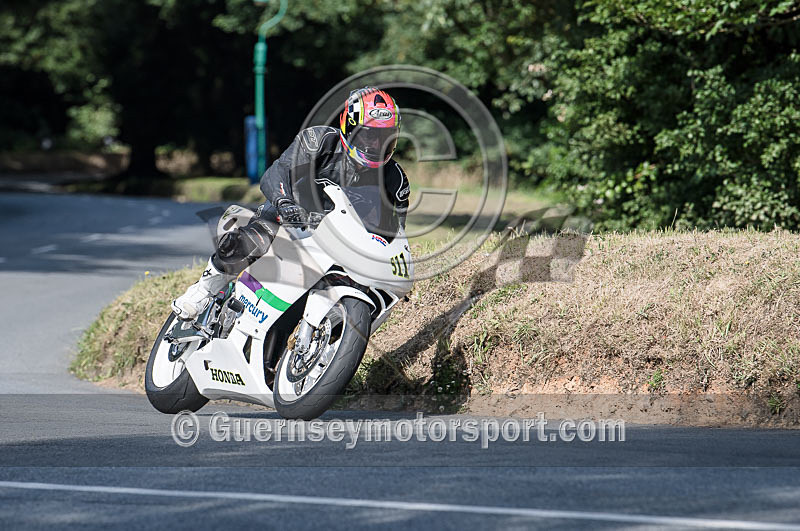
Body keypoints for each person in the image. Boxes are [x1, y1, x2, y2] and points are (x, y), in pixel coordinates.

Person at [172, 86, 410, 320]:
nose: (376, 145)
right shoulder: (319, 141)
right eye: (370, 135)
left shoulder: (396, 181)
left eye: (384, 137)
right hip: (289, 218)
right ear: (349, 126)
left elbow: (394, 236)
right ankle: (204, 288)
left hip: (339, 244)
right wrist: (285, 203)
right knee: (256, 237)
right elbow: (275, 174)